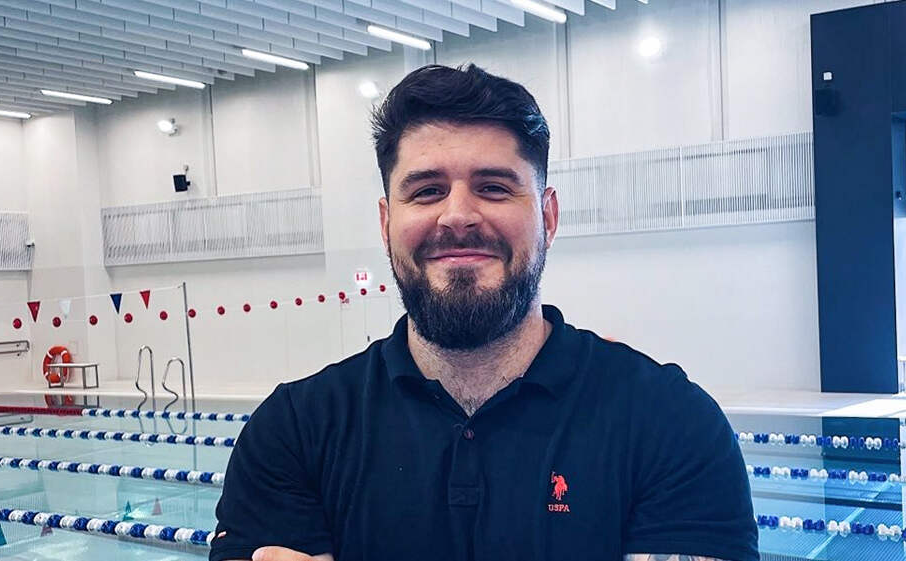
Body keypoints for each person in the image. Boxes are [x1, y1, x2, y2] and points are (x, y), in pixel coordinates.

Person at [209, 64, 758, 561]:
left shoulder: (670, 424)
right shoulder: (294, 433)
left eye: (493, 187)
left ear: (548, 217)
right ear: (385, 223)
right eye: (427, 191)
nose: (458, 215)